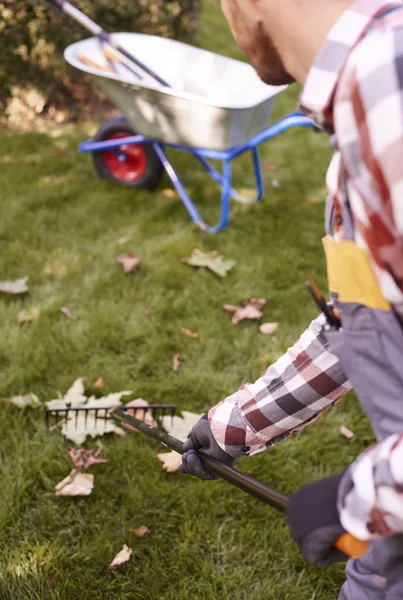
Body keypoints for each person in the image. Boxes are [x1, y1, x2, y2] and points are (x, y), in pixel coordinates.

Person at [179, 0, 403, 597]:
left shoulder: (390, 84)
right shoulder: (365, 97)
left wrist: (359, 501)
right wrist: (235, 425)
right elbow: (363, 316)